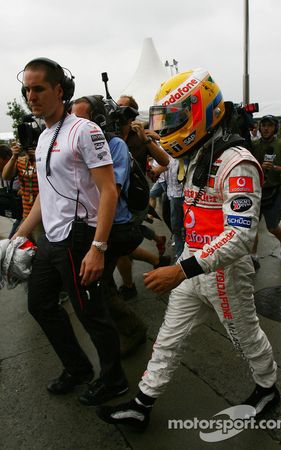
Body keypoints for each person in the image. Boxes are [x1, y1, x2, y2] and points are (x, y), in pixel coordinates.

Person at [96, 68, 279, 429]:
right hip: (191, 264)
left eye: (172, 119)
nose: (164, 128)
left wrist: (181, 269)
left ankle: (268, 388)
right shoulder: (195, 154)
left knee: (245, 338)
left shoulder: (236, 161)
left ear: (200, 110)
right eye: (161, 120)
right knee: (167, 339)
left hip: (221, 273)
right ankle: (142, 403)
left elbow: (241, 235)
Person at [14, 57, 128, 405]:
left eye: (38, 88)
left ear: (59, 91)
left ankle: (115, 381)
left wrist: (99, 247)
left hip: (80, 239)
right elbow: (44, 198)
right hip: (52, 239)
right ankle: (78, 368)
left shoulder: (85, 130)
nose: (31, 96)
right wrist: (18, 234)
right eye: (27, 90)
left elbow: (109, 190)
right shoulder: (46, 135)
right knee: (39, 305)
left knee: (92, 315)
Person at [71, 95, 147, 357]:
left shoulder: (114, 145)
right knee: (100, 284)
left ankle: (133, 330)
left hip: (116, 226)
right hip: (99, 225)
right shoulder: (83, 145)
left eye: (81, 118)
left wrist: (98, 245)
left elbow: (110, 191)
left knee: (97, 286)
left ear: (100, 120)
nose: (74, 124)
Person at [116, 95, 171, 300]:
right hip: (116, 196)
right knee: (122, 243)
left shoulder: (141, 133)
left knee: (120, 245)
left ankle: (129, 286)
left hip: (135, 197)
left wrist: (146, 138)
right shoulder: (109, 134)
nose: (118, 110)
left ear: (132, 113)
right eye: (117, 106)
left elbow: (165, 159)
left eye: (123, 107)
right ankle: (157, 260)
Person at [251, 115, 281, 267]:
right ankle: (253, 257)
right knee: (252, 225)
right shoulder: (254, 144)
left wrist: (275, 168)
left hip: (274, 192)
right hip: (256, 192)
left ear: (275, 128)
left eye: (269, 125)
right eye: (263, 125)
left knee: (271, 226)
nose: (265, 128)